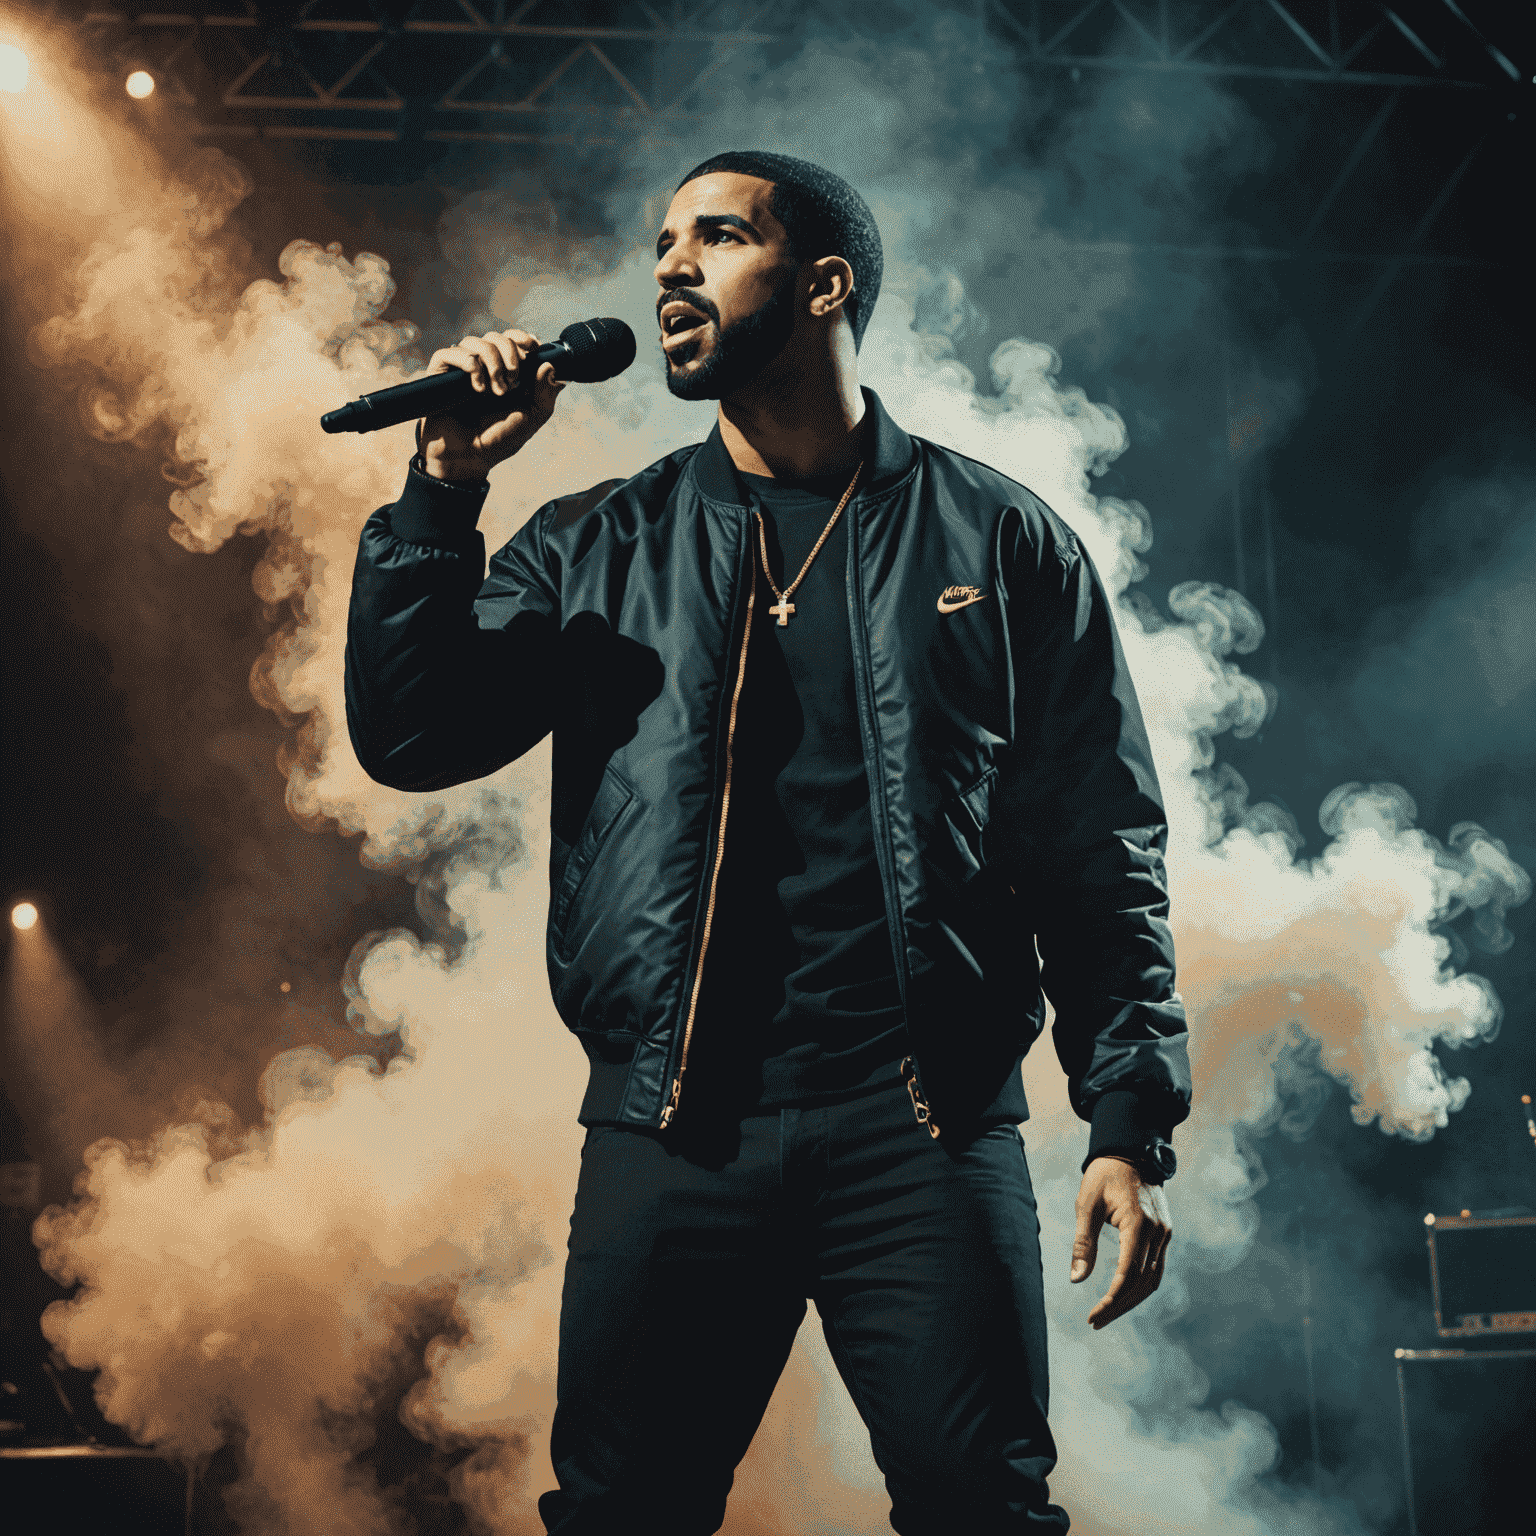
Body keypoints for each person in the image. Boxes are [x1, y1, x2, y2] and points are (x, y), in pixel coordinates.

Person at [345, 150, 1191, 1535]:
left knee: (985, 1509)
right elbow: (411, 737)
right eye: (661, 243)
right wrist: (441, 491)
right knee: (625, 1515)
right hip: (672, 1131)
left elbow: (1098, 849)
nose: (669, 267)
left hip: (925, 1130)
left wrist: (1129, 1121)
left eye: (716, 238)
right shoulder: (594, 544)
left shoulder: (1004, 540)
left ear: (823, 282)